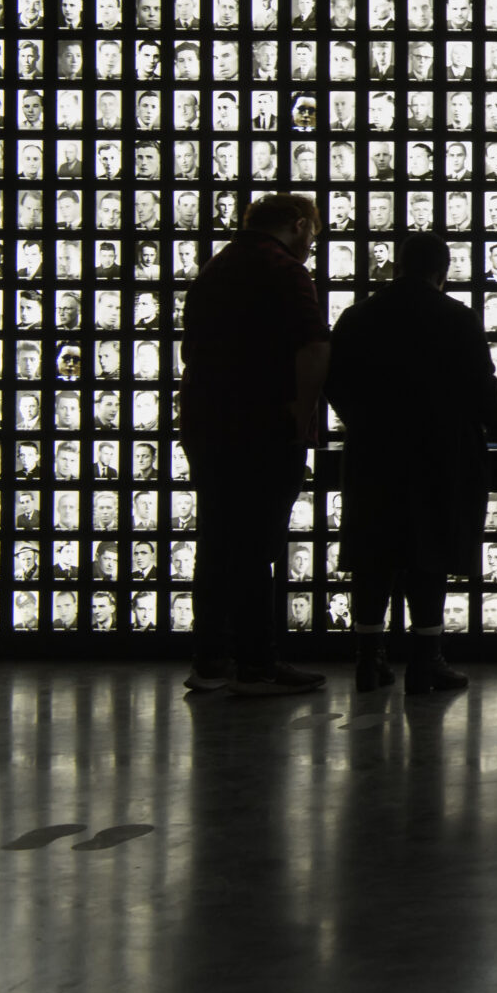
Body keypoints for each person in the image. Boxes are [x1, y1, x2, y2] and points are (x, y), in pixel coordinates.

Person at [326, 233, 497, 694]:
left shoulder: (357, 316)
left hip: (372, 453)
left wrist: (362, 422)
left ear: (396, 266)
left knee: (374, 552)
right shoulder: (456, 317)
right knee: (429, 552)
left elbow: (335, 381)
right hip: (438, 454)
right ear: (441, 271)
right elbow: (480, 382)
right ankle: (427, 661)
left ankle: (369, 661)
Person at [178, 193, 330, 696]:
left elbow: (191, 347)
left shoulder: (216, 268)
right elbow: (313, 346)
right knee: (255, 545)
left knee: (217, 539)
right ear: (297, 225)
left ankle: (210, 661)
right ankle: (258, 664)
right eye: (313, 231)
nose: (313, 243)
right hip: (264, 427)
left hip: (207, 425)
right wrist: (302, 414)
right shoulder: (285, 271)